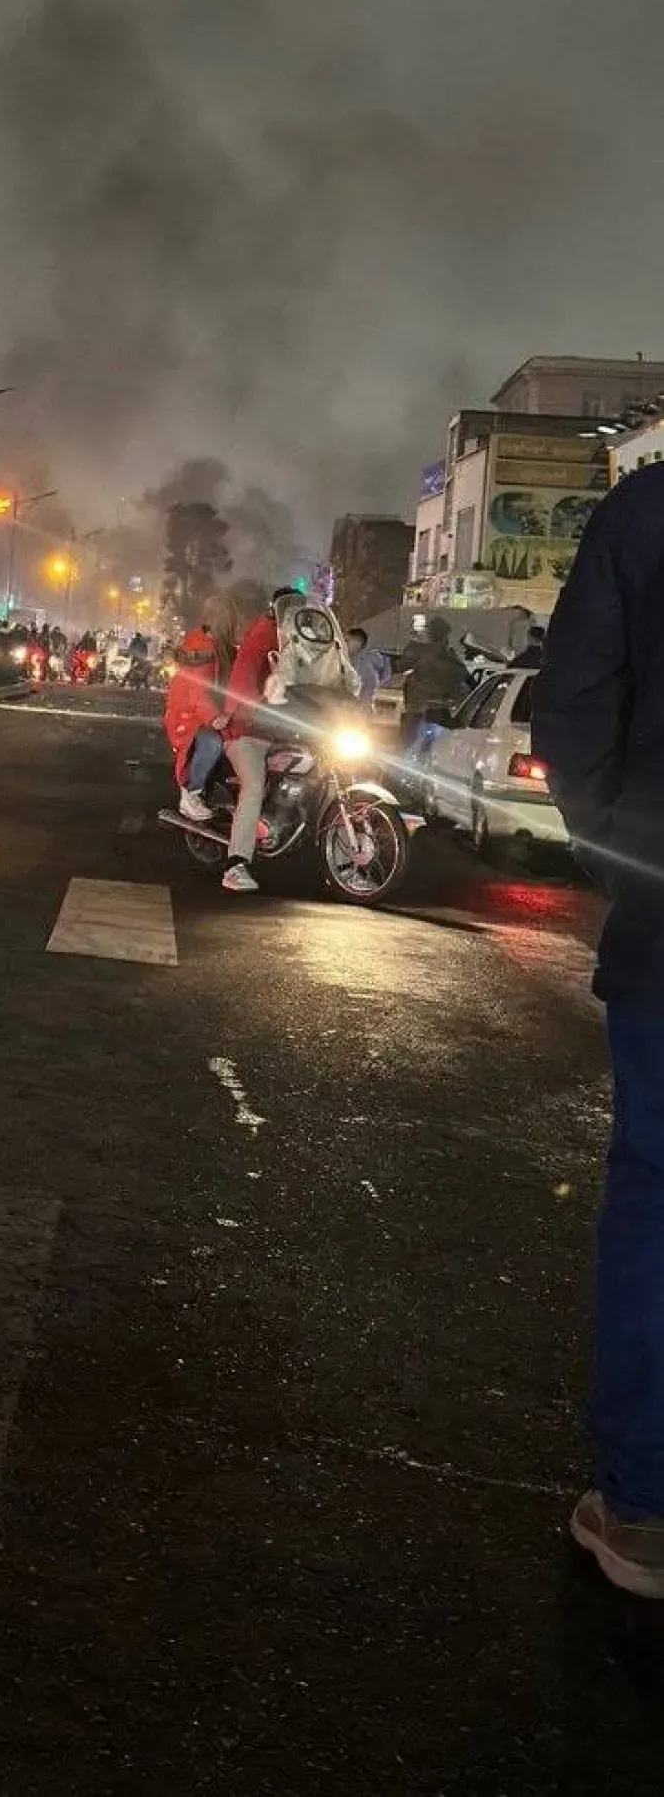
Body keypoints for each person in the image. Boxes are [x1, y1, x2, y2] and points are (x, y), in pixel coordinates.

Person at [534, 467, 664, 1596]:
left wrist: (623, 865)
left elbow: (573, 713)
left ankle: (648, 1515)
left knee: (660, 1203)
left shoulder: (648, 515)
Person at [218, 586, 308, 893]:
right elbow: (242, 688)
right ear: (278, 610)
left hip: (276, 731)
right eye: (293, 608)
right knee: (253, 786)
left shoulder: (294, 641)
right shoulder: (262, 637)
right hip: (246, 731)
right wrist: (258, 709)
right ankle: (235, 865)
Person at [162, 617, 234, 823]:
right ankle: (191, 794)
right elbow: (198, 692)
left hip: (196, 714)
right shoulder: (202, 648)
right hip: (188, 718)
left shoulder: (211, 645)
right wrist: (214, 718)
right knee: (212, 743)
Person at [401, 615, 467, 758]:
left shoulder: (417, 652)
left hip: (418, 710)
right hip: (437, 712)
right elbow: (463, 678)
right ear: (445, 636)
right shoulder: (448, 657)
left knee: (409, 749)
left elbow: (404, 671)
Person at [345, 625, 391, 705]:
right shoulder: (353, 660)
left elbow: (368, 689)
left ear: (357, 643)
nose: (344, 644)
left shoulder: (364, 664)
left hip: (360, 710)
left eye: (347, 640)